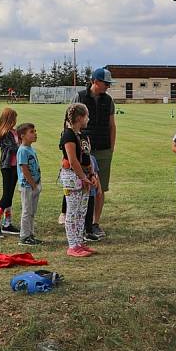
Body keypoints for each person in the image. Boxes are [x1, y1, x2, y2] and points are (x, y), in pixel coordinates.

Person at [58, 67, 115, 238]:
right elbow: (68, 121)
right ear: (95, 82)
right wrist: (69, 147)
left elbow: (112, 125)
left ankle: (95, 223)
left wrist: (111, 148)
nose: (108, 86)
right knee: (78, 183)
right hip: (83, 149)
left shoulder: (109, 100)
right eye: (106, 83)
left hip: (103, 148)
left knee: (100, 188)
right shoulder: (80, 96)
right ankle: (75, 218)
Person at [59, 103, 97, 258]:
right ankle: (72, 245)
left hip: (85, 178)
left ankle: (79, 242)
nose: (88, 119)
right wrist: (83, 177)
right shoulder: (68, 135)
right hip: (73, 178)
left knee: (82, 212)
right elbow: (73, 160)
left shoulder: (82, 135)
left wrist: (92, 175)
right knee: (72, 212)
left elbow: (88, 157)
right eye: (87, 116)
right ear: (80, 118)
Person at [0, 108, 20, 238]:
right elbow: (13, 148)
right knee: (6, 196)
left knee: (10, 195)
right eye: (13, 118)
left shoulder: (14, 131)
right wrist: (24, 144)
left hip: (16, 167)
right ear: (8, 119)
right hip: (7, 167)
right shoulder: (5, 134)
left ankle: (7, 224)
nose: (15, 121)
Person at [16, 123, 43, 246]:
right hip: (27, 186)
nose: (35, 134)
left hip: (34, 185)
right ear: (22, 136)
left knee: (32, 211)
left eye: (35, 131)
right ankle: (24, 236)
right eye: (31, 132)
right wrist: (32, 184)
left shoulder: (30, 148)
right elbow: (24, 169)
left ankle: (30, 234)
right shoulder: (22, 150)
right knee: (27, 211)